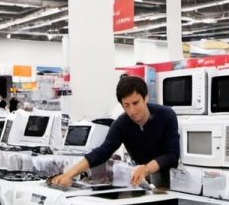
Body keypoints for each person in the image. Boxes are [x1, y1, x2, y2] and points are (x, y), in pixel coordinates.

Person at [52, 76, 180, 188]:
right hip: (144, 180)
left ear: (146, 98)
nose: (132, 111)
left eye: (136, 103)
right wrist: (68, 174)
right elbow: (103, 152)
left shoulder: (166, 115)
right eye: (127, 105)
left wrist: (146, 168)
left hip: (175, 179)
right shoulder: (121, 124)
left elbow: (172, 155)